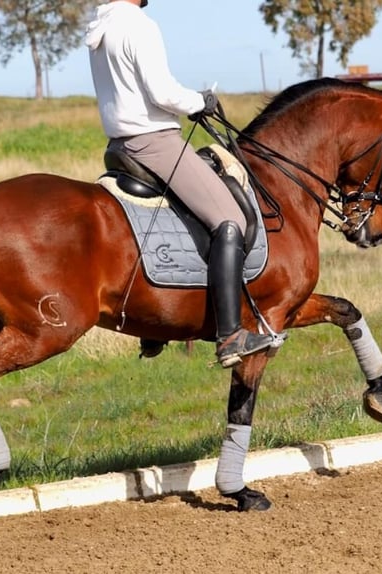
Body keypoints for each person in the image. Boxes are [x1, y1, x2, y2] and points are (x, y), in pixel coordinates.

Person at [85, 0, 273, 368]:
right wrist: (200, 100)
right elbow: (162, 94)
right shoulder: (139, 24)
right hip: (153, 142)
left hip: (119, 145)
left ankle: (154, 327)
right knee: (228, 220)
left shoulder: (100, 27)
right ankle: (231, 336)